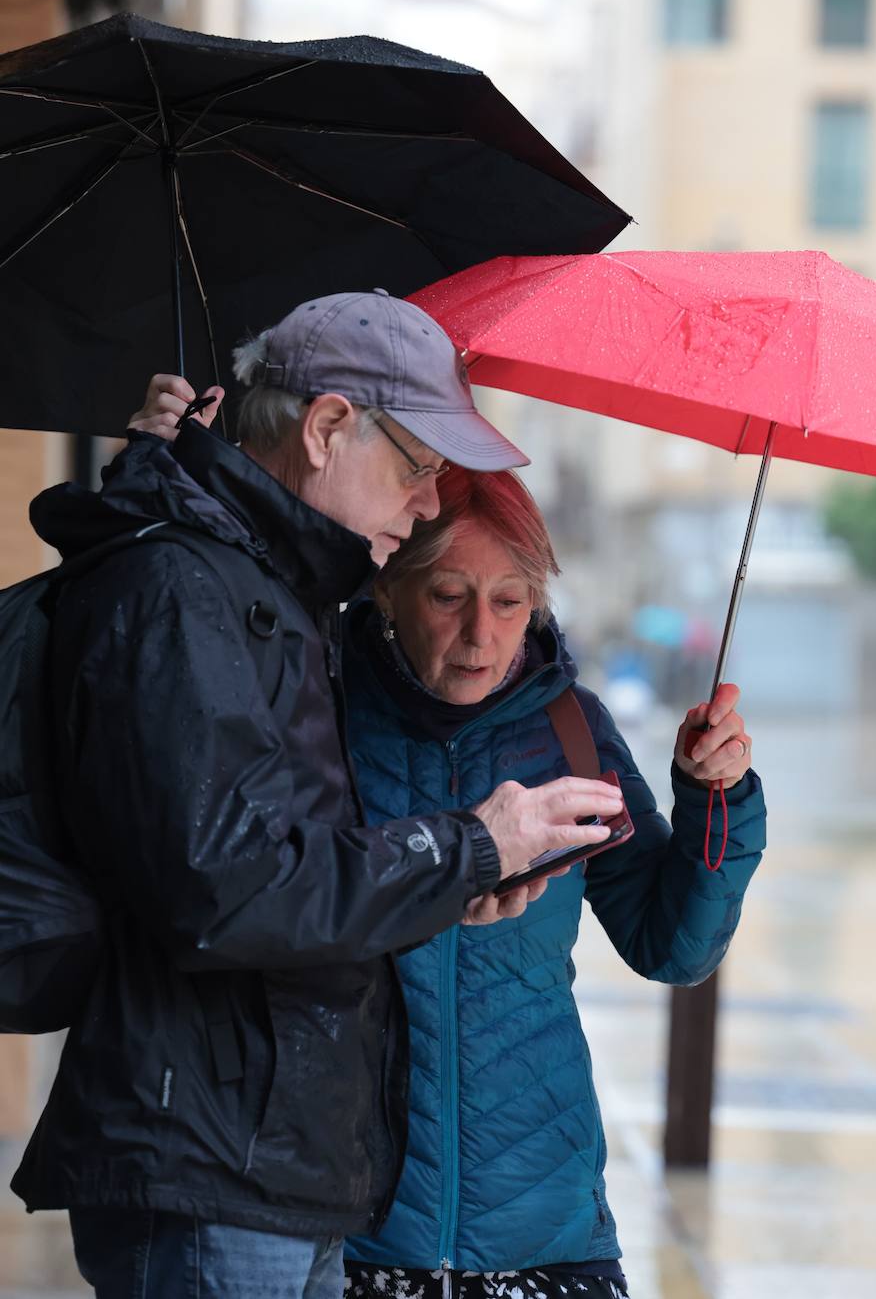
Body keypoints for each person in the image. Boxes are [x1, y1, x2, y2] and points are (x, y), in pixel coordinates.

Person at [14, 290, 622, 1299]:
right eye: (418, 467)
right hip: (211, 1167)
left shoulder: (272, 593)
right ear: (329, 426)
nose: (429, 503)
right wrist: (467, 844)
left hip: (276, 1164)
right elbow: (226, 889)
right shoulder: (184, 589)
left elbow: (274, 861)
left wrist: (448, 886)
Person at [131, 383, 766, 1299]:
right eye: (449, 595)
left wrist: (717, 799)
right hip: (353, 1233)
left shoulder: (572, 729)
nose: (482, 635)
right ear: (389, 583)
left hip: (547, 1231)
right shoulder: (320, 700)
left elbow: (675, 947)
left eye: (511, 602)